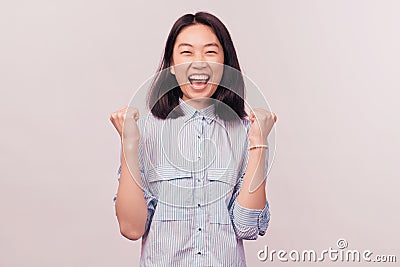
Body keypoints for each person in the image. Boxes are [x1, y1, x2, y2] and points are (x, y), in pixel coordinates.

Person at [110, 11, 277, 267]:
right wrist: (129, 144)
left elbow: (246, 227)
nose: (199, 62)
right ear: (172, 66)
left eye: (210, 52)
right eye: (186, 52)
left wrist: (259, 144)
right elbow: (132, 228)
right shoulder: (144, 131)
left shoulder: (247, 133)